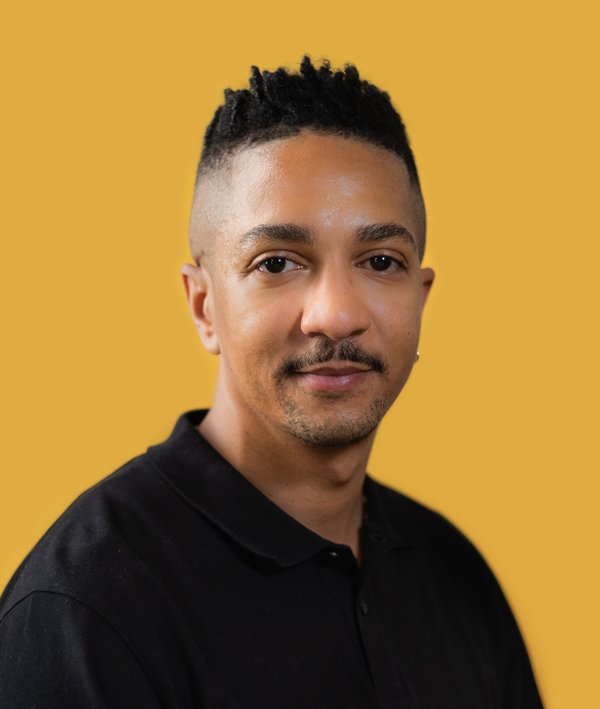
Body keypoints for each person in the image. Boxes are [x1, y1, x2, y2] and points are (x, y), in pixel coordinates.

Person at [0, 57, 543, 708]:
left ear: (420, 298)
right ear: (204, 306)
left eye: (380, 261)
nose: (337, 312)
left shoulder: (456, 577)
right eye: (278, 262)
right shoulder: (87, 611)